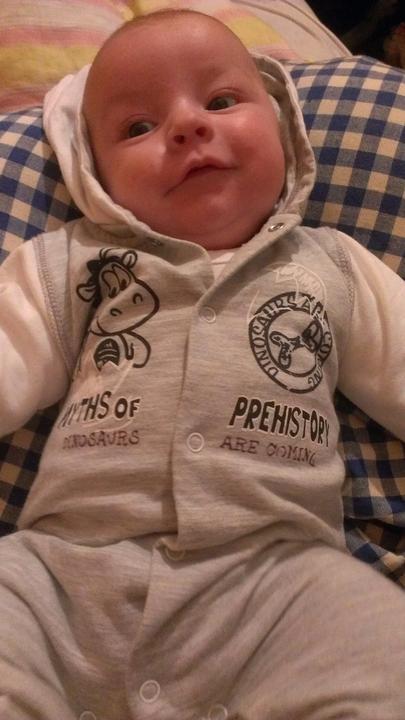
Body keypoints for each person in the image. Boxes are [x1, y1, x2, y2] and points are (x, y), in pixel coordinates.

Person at [0, 9, 405, 720]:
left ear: (281, 126)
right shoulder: (75, 261)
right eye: (138, 126)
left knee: (382, 649)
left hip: (279, 584)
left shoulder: (332, 266)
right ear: (94, 170)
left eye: (220, 101)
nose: (187, 126)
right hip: (61, 574)